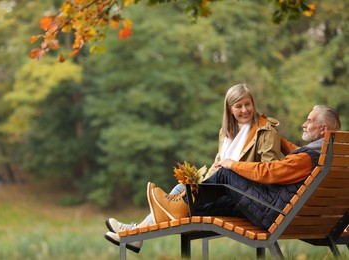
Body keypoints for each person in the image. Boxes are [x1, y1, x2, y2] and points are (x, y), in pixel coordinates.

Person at [104, 83, 282, 253]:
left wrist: (234, 167)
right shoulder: (226, 132)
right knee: (184, 189)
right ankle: (137, 233)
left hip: (247, 198)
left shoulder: (265, 131)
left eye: (247, 104)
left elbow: (269, 172)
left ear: (253, 103)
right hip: (223, 191)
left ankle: (136, 233)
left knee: (181, 204)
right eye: (238, 106)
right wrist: (199, 186)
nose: (244, 110)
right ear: (229, 109)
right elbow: (217, 165)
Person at [150, 105, 341, 231]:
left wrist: (232, 164)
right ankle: (177, 208)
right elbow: (297, 153)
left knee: (225, 174)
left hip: (273, 214)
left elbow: (270, 172)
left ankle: (177, 205)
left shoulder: (308, 159)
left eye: (309, 120)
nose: (304, 124)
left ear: (324, 129)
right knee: (208, 207)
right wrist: (269, 134)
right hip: (294, 217)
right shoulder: (332, 156)